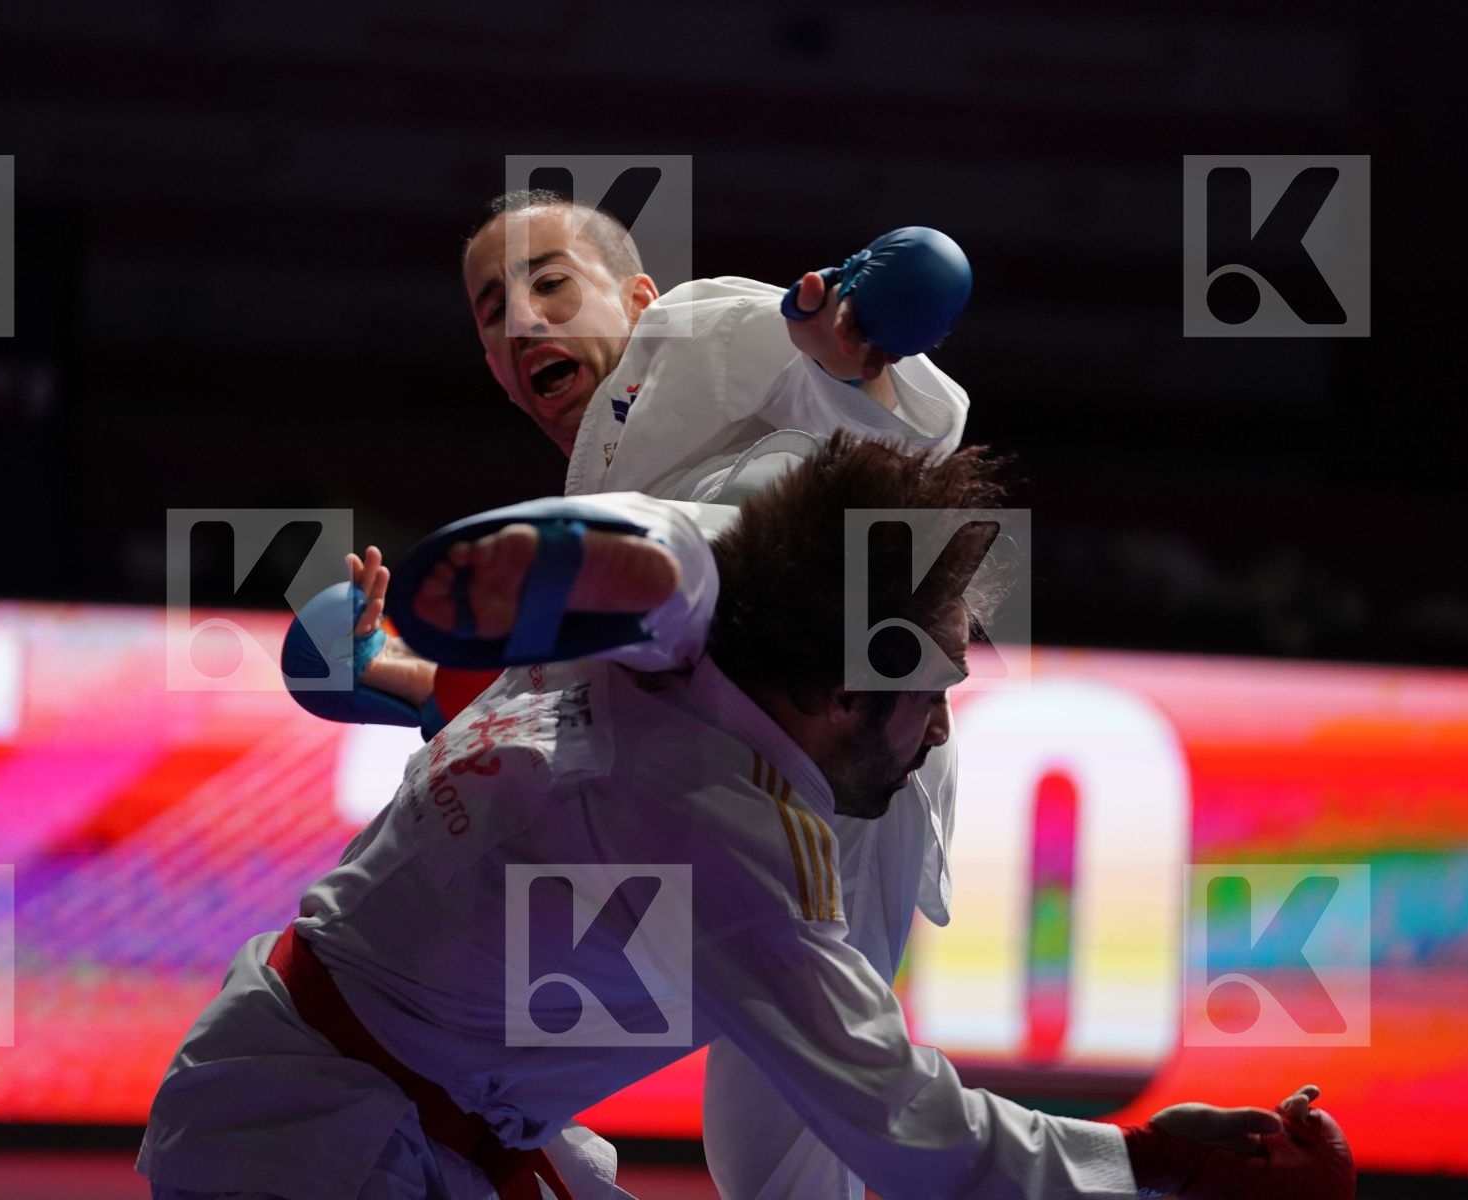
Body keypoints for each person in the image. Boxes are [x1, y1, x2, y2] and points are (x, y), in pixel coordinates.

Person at [141, 434, 1344, 1200]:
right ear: (839, 694)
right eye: (930, 697)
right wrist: (1154, 1163)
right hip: (323, 1152)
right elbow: (915, 1134)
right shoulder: (731, 851)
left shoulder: (646, 638)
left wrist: (403, 673)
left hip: (360, 1108)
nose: (938, 735)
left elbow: (730, 544)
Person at [324, 189, 977, 1199]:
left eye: (551, 281)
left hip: (857, 749)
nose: (524, 315)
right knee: (770, 1159)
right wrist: (399, 682)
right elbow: (563, 709)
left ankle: (666, 567)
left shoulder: (693, 328)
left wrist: (848, 351)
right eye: (494, 309)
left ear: (636, 296)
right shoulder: (582, 501)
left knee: (759, 495)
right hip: (738, 790)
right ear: (496, 374)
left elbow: (919, 431)